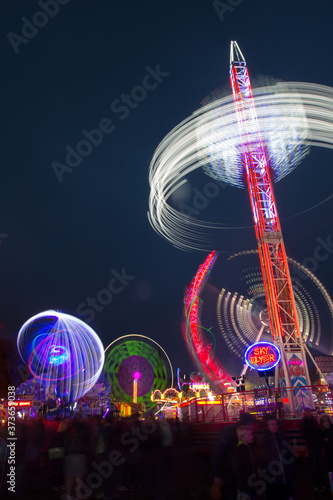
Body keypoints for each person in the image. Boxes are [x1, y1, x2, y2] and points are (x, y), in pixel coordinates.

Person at [211, 412, 256, 500]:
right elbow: (217, 453)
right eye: (251, 424)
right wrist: (217, 475)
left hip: (234, 473)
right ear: (247, 424)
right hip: (229, 473)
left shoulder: (234, 432)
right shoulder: (231, 433)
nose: (253, 427)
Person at [256, 415, 294, 500]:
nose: (275, 426)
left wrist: (291, 470)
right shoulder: (264, 441)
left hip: (284, 475)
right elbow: (261, 460)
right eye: (272, 424)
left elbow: (289, 455)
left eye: (276, 424)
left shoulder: (281, 439)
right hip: (273, 477)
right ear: (267, 426)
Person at [302, 409, 325, 492]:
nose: (309, 414)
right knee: (315, 465)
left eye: (310, 412)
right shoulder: (309, 422)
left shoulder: (311, 421)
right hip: (313, 445)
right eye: (308, 412)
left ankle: (320, 483)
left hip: (315, 445)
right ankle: (317, 483)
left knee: (318, 465)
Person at [233, 425, 259, 500]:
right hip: (245, 487)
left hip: (253, 485)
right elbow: (237, 469)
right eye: (249, 435)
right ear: (242, 437)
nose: (252, 436)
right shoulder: (239, 451)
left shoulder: (250, 448)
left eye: (251, 434)